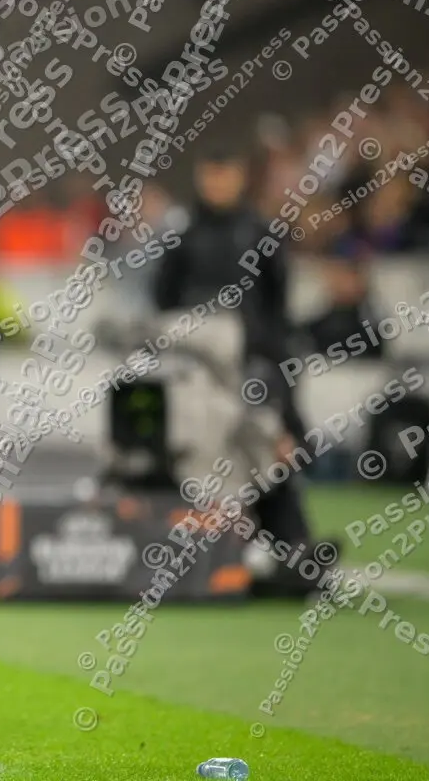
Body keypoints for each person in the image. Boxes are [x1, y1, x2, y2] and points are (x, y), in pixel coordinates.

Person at [151, 145, 325, 595]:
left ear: (241, 176)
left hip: (253, 370)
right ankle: (215, 554)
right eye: (211, 172)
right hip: (194, 375)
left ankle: (293, 552)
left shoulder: (262, 236)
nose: (218, 182)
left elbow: (276, 317)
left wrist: (284, 398)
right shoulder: (182, 238)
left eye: (225, 172)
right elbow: (164, 306)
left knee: (268, 452)